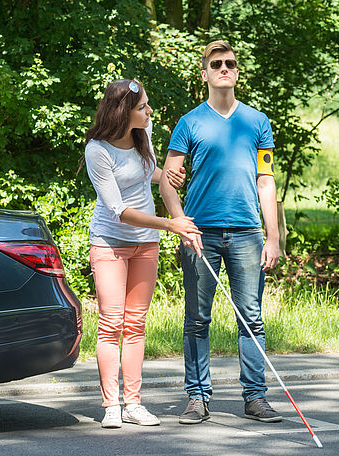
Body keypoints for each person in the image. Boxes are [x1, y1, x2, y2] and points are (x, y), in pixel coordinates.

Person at [160, 40, 282, 424]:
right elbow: (167, 180)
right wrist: (180, 223)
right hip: (200, 233)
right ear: (205, 75)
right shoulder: (189, 122)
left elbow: (266, 180)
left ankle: (255, 397)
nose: (224, 68)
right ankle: (197, 397)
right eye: (217, 64)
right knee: (197, 318)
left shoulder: (258, 122)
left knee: (251, 318)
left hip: (247, 233)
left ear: (237, 72)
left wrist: (273, 236)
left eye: (230, 63)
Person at [84, 78, 201, 429]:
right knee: (111, 325)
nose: (149, 111)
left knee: (135, 325)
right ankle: (111, 407)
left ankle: (133, 403)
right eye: (142, 107)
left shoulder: (143, 134)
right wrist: (171, 225)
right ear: (123, 112)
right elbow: (118, 209)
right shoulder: (97, 150)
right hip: (109, 243)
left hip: (146, 244)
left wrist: (166, 176)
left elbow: (145, 172)